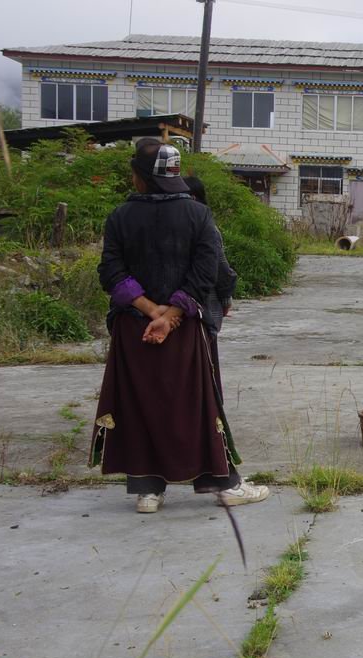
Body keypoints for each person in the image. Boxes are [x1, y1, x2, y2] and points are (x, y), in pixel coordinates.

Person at [91, 138, 268, 513]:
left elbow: (111, 271)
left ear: (140, 177)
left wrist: (149, 309)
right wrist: (170, 316)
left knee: (139, 405)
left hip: (132, 328)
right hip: (184, 329)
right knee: (198, 405)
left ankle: (148, 491)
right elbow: (205, 273)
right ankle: (227, 484)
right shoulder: (197, 215)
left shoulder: (120, 216)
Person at [183, 175, 237, 391]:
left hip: (172, 312)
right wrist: (226, 299)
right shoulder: (207, 227)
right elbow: (220, 270)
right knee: (205, 373)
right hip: (202, 311)